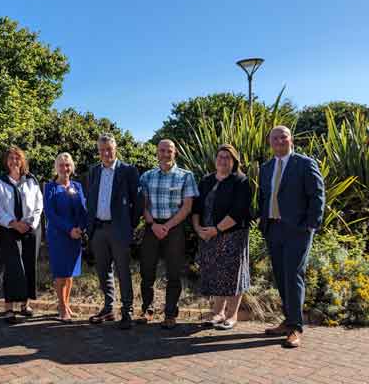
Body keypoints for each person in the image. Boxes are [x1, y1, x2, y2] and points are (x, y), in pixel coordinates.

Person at [259, 126, 325, 348]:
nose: (279, 141)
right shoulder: (266, 167)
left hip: (297, 230)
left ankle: (296, 328)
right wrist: (263, 223)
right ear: (270, 142)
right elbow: (263, 196)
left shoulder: (305, 164)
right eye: (274, 138)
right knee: (280, 275)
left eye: (283, 137)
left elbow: (317, 195)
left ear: (291, 139)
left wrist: (311, 225)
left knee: (293, 275)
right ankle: (288, 321)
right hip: (273, 229)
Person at [138, 139, 198, 329]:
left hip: (175, 228)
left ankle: (170, 314)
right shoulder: (147, 176)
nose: (165, 154)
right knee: (147, 272)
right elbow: (143, 205)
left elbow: (187, 207)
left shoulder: (186, 176)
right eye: (162, 150)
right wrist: (153, 224)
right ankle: (147, 310)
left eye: (169, 151)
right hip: (151, 227)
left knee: (174, 273)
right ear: (157, 152)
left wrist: (168, 226)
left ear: (175, 153)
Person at [192, 144, 252, 330]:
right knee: (215, 274)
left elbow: (239, 211)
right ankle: (217, 313)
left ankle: (232, 315)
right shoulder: (206, 180)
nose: (223, 160)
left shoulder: (241, 181)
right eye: (220, 156)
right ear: (215, 159)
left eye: (227, 157)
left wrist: (217, 229)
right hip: (208, 236)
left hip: (233, 235)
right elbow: (196, 207)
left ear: (234, 161)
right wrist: (198, 228)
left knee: (233, 275)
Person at [86, 133, 140, 329]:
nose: (105, 153)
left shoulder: (128, 171)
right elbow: (90, 199)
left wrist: (129, 225)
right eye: (102, 150)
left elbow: (138, 201)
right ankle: (109, 308)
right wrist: (89, 227)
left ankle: (127, 311)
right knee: (103, 271)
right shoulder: (93, 171)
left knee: (123, 272)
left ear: (115, 149)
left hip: (119, 230)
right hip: (98, 229)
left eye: (108, 149)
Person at [0, 146, 43, 323]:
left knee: (29, 265)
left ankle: (25, 304)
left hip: (30, 229)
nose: (14, 161)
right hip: (9, 230)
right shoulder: (0, 182)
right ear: (6, 162)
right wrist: (14, 224)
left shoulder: (31, 180)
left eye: (17, 158)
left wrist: (30, 224)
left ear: (23, 161)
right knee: (13, 266)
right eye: (11, 158)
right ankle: (8, 308)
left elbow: (39, 205)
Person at [43, 152, 87, 322]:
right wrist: (69, 229)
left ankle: (67, 304)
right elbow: (50, 214)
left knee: (70, 274)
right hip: (58, 235)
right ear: (56, 167)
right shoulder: (50, 187)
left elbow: (83, 210)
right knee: (61, 274)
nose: (65, 168)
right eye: (61, 165)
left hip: (75, 235)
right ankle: (61, 307)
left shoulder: (77, 186)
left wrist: (80, 228)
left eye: (67, 165)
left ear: (72, 167)